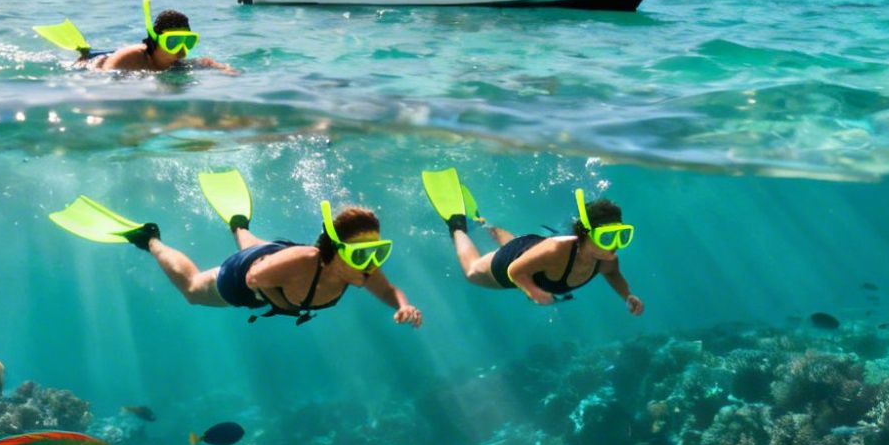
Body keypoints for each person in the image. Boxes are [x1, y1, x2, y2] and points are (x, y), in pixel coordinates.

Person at [50, 171, 423, 328]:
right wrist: (278, 304)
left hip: (277, 255)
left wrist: (403, 305)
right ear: (335, 251)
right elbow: (255, 275)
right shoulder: (308, 259)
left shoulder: (360, 269)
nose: (372, 263)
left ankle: (239, 225)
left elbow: (389, 291)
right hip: (245, 278)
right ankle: (148, 238)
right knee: (194, 290)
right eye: (362, 254)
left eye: (378, 252)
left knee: (262, 248)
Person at [420, 169, 643, 313]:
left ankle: (484, 224)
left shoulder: (607, 260)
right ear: (585, 234)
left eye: (621, 236)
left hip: (533, 249)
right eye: (606, 237)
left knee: (521, 247)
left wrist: (627, 295)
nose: (614, 245)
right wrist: (533, 292)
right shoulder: (556, 250)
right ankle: (457, 225)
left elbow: (613, 274)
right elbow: (516, 271)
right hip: (514, 262)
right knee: (472, 272)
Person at [36, 5, 237, 73]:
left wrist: (222, 68)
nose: (182, 49)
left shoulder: (174, 61)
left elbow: (203, 63)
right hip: (95, 64)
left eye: (189, 41)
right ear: (155, 41)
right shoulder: (130, 58)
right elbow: (103, 79)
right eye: (173, 42)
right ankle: (84, 52)